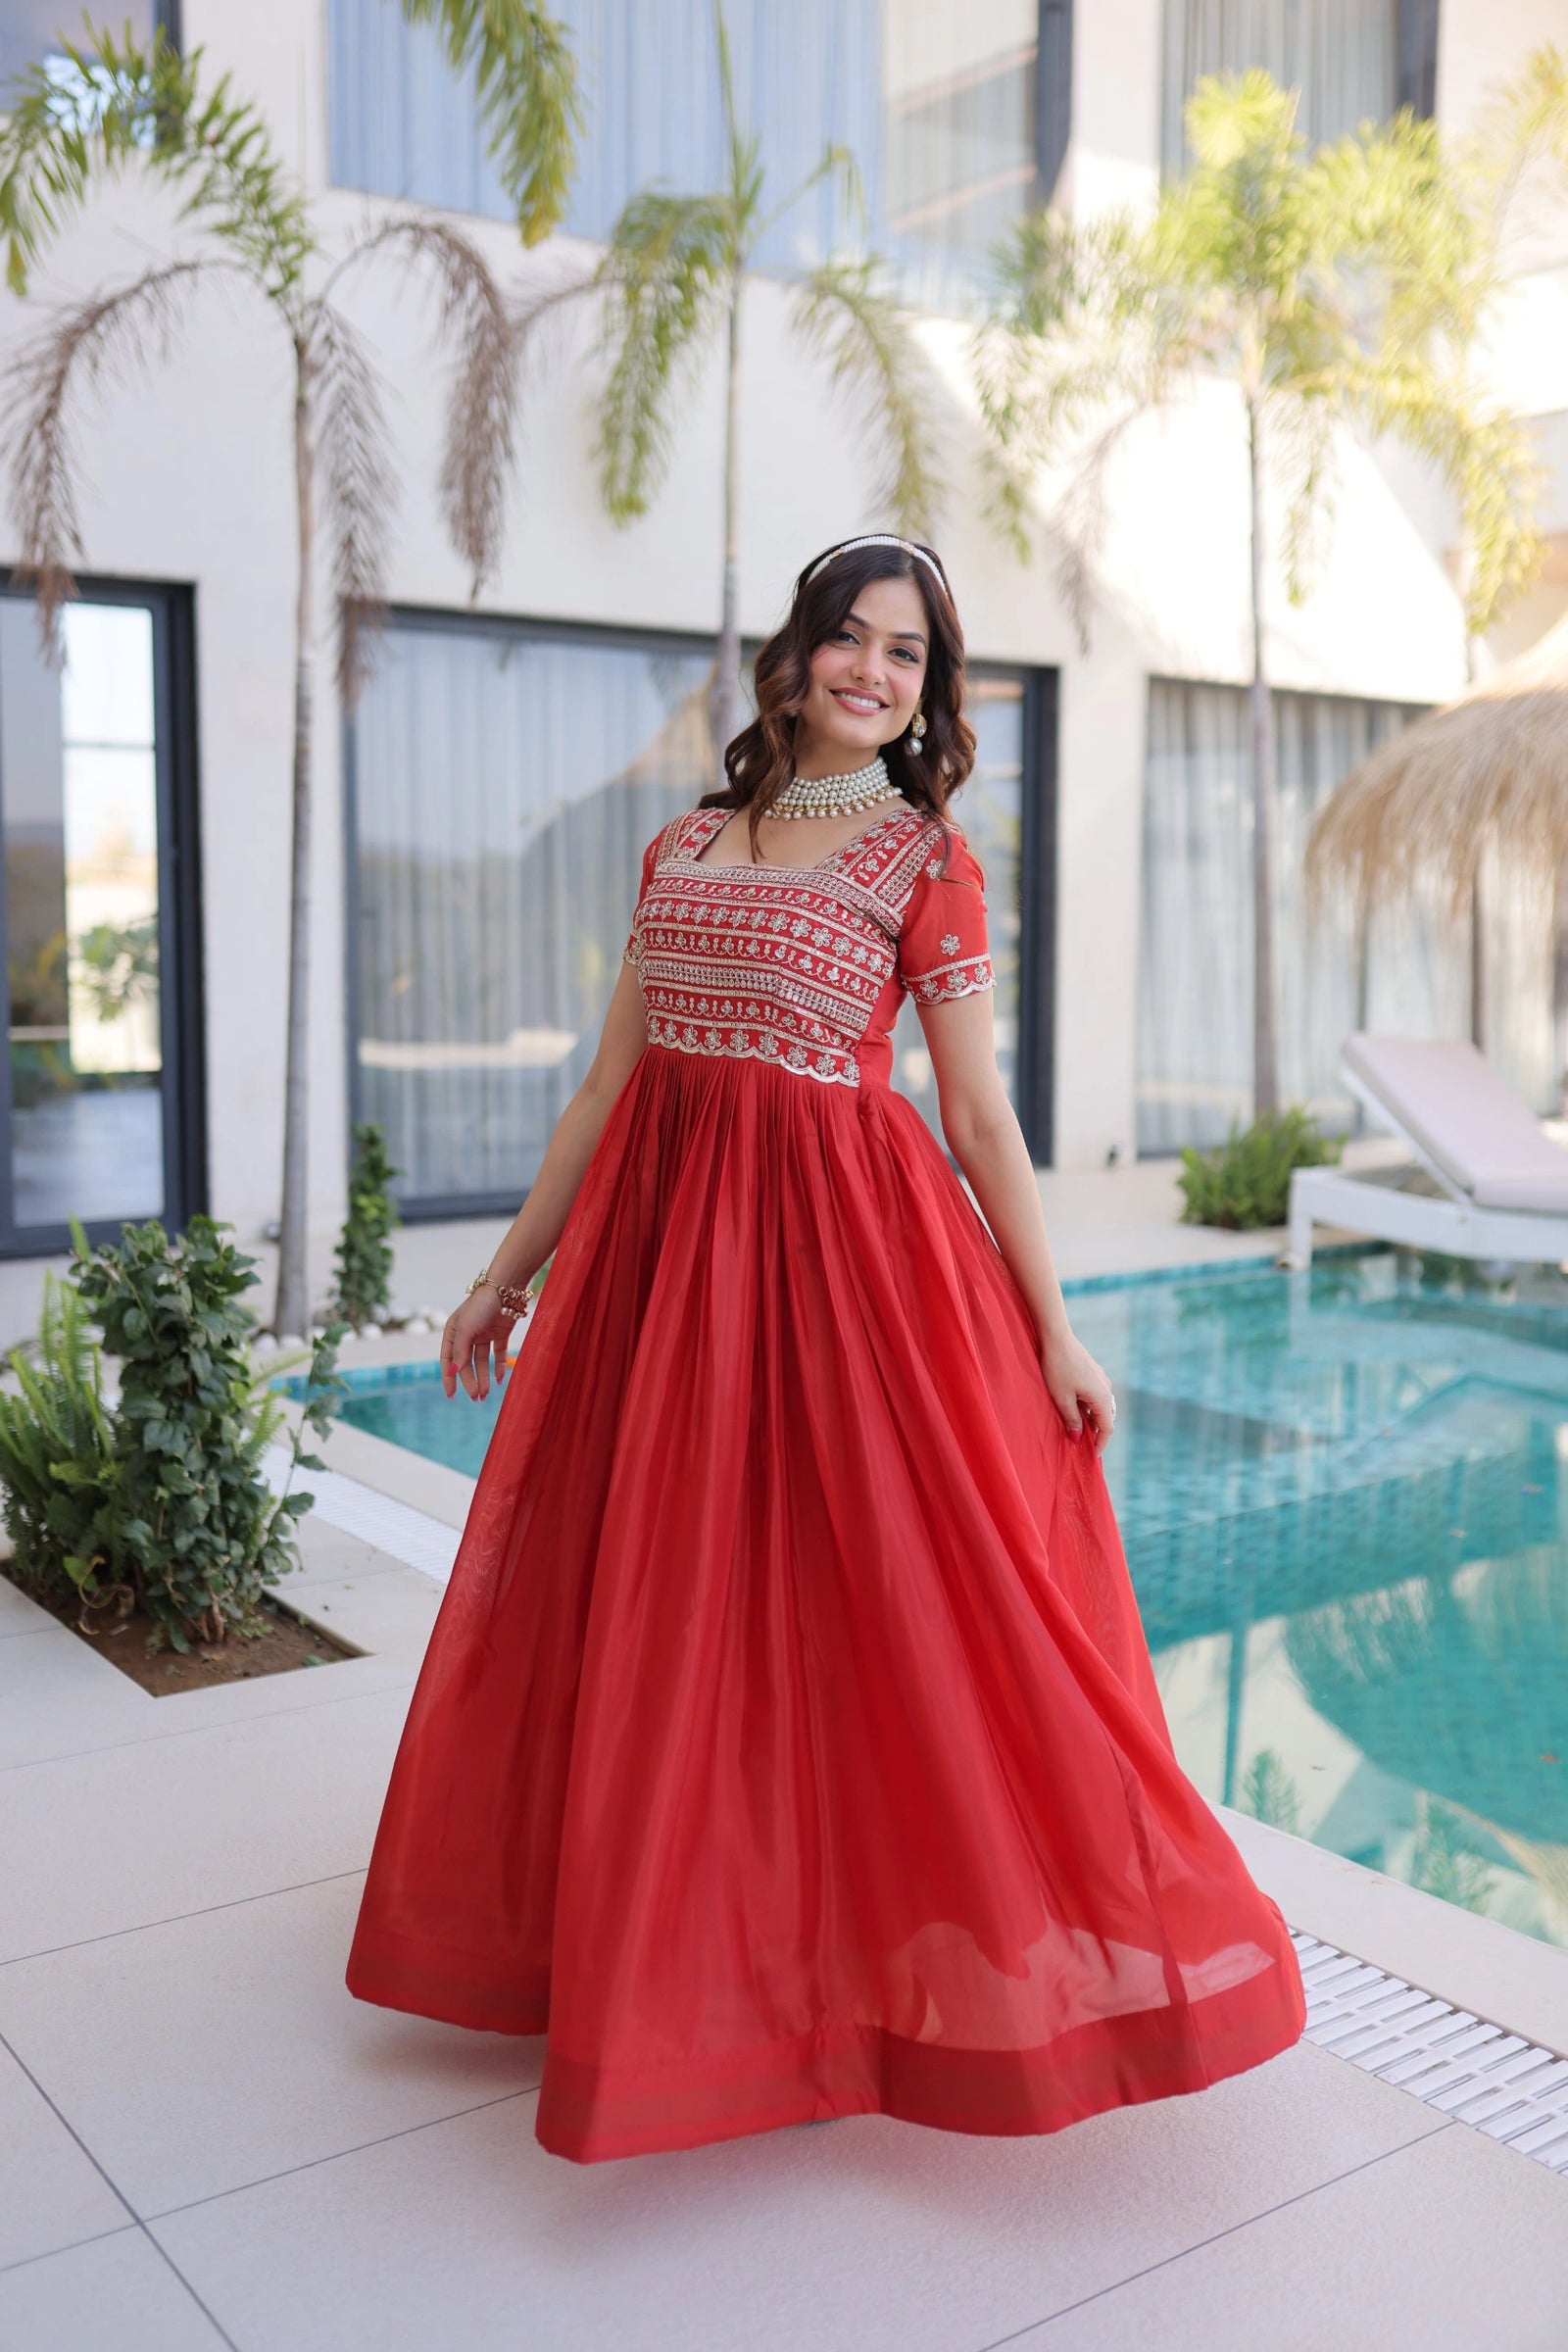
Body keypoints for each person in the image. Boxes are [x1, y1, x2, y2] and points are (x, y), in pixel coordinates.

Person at [346, 535, 1305, 2163]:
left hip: (847, 1274)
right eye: (850, 640)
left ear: (928, 694)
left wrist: (1053, 1327)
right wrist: (508, 1276)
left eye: (909, 657)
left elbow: (982, 1118)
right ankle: (660, 1960)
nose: (874, 671)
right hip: (663, 1277)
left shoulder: (925, 859)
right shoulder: (681, 846)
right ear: (794, 657)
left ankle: (842, 1972)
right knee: (662, 1606)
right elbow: (607, 1090)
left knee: (880, 1616)